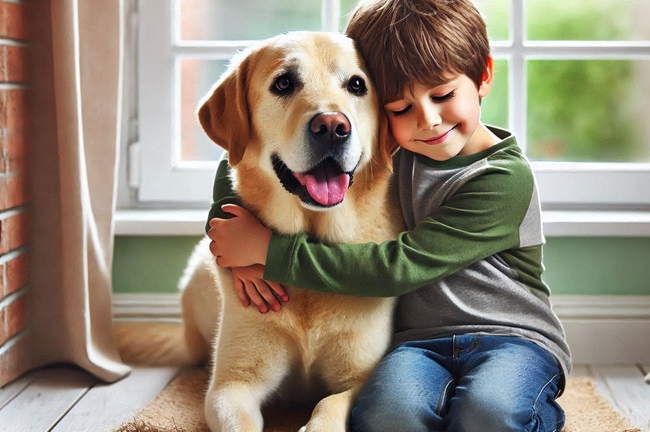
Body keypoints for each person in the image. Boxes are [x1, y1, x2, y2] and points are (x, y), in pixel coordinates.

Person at [207, 0, 571, 430]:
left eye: (444, 94)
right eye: (400, 108)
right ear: (384, 115)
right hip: (419, 344)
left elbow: (398, 267)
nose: (429, 120)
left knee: (488, 413)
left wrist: (269, 251)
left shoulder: (502, 179)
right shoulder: (394, 155)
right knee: (382, 416)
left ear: (483, 75)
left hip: (511, 339)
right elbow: (241, 161)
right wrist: (225, 228)